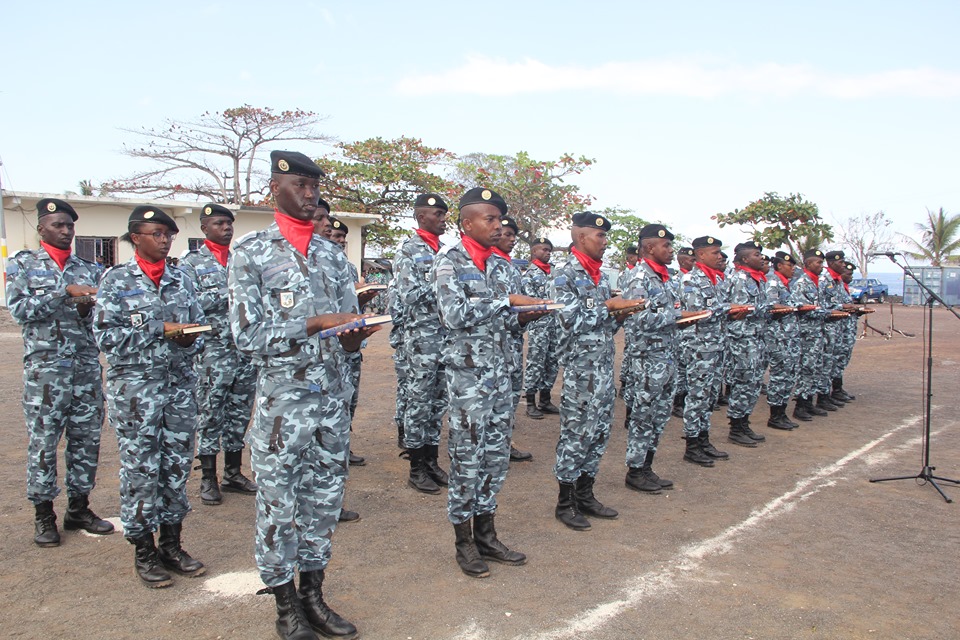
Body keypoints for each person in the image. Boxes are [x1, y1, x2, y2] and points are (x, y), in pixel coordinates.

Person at [229, 151, 376, 639]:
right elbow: (246, 337)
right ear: (275, 186)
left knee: (323, 501)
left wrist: (356, 333)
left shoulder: (333, 255)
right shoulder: (251, 252)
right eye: (300, 184)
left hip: (331, 400)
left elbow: (346, 327)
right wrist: (313, 323)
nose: (310, 193)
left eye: (315, 185)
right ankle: (285, 606)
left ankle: (314, 594)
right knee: (278, 504)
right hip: (283, 407)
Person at [433, 187, 547, 578]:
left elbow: (504, 317)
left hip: (502, 374)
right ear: (467, 223)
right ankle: (463, 542)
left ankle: (487, 534)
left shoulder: (501, 265)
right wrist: (507, 304)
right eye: (490, 219)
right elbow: (453, 315)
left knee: (496, 457)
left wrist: (525, 315)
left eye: (500, 220)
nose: (498, 227)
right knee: (467, 457)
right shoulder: (448, 261)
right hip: (469, 379)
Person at [94, 205, 206, 587]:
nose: (163, 240)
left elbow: (195, 328)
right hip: (135, 393)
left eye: (168, 234)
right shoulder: (115, 280)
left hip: (177, 388)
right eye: (155, 233)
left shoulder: (181, 279)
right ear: (134, 237)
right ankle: (144, 549)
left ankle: (172, 544)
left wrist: (190, 336)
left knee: (175, 467)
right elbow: (105, 337)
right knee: (141, 470)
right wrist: (161, 329)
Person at [6, 198, 113, 547]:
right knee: (44, 443)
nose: (66, 231)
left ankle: (79, 508)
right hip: (46, 374)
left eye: (69, 225)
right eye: (58, 225)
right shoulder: (23, 265)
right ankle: (44, 515)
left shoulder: (89, 268)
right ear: (41, 229)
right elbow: (20, 310)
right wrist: (62, 292)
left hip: (84, 370)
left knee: (86, 441)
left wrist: (85, 308)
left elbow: (100, 318)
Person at [550, 211, 645, 530]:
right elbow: (568, 319)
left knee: (599, 431)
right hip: (580, 369)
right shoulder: (564, 271)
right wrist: (608, 308)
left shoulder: (600, 275)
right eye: (600, 236)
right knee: (577, 433)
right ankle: (565, 502)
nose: (606, 242)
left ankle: (585, 493)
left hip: (603, 365)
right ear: (581, 238)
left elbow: (606, 320)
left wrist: (624, 311)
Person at [179, 203, 257, 507]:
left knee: (239, 413)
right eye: (219, 223)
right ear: (204, 228)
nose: (226, 228)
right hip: (213, 352)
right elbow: (191, 302)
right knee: (211, 414)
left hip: (243, 351)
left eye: (229, 223)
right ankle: (208, 477)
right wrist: (231, 292)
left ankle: (233, 473)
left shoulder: (241, 259)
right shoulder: (191, 263)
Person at [621, 224, 702, 493]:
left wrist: (685, 319)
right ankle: (634, 471)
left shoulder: (664, 277)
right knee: (643, 416)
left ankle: (647, 466)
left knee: (659, 416)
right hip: (647, 359)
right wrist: (678, 318)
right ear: (648, 248)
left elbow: (668, 314)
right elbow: (637, 320)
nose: (670, 250)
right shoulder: (639, 278)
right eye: (665, 246)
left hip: (666, 356)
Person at [391, 194, 451, 493]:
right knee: (418, 402)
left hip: (446, 338)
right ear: (420, 216)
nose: (443, 219)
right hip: (422, 340)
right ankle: (416, 467)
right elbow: (410, 296)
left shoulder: (447, 250)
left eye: (445, 214)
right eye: (438, 213)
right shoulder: (407, 252)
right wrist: (444, 286)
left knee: (439, 402)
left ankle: (431, 460)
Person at [678, 236, 745, 466]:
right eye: (715, 253)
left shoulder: (718, 279)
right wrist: (729, 308)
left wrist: (733, 309)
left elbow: (721, 308)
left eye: (719, 253)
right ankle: (692, 444)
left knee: (709, 396)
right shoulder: (690, 279)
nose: (719, 257)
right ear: (701, 255)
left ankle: (704, 440)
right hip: (699, 347)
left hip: (717, 345)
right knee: (697, 395)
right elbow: (697, 312)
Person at [329, 214, 377, 470]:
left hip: (349, 345)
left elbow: (350, 306)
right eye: (334, 236)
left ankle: (343, 446)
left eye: (342, 239)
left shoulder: (348, 268)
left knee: (350, 398)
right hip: (325, 347)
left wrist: (363, 299)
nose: (338, 241)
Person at [491, 216, 533, 462]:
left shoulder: (513, 268)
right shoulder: (487, 265)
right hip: (493, 344)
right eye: (506, 234)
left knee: (511, 395)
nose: (511, 239)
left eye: (513, 235)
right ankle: (493, 447)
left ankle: (505, 442)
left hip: (513, 342)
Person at [724, 242, 774, 446]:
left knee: (753, 383)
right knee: (743, 382)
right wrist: (768, 308)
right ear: (745, 259)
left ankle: (744, 422)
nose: (761, 257)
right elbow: (741, 309)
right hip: (743, 338)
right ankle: (736, 426)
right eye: (757, 254)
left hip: (756, 336)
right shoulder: (739, 280)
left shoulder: (756, 279)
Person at [521, 236, 561, 419]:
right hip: (539, 324)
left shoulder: (555, 272)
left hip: (556, 324)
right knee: (535, 362)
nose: (546, 253)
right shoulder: (529, 274)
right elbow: (530, 301)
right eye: (543, 249)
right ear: (534, 251)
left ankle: (545, 399)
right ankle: (530, 402)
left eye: (548, 250)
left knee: (552, 362)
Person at [764, 251, 802, 430]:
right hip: (778, 337)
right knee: (779, 376)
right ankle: (775, 415)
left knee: (788, 375)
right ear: (779, 266)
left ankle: (782, 411)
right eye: (790, 265)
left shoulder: (788, 284)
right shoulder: (773, 283)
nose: (793, 269)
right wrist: (793, 308)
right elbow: (771, 306)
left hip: (789, 336)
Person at [791, 249, 831, 421]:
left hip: (818, 332)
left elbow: (821, 305)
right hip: (806, 333)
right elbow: (801, 308)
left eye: (822, 263)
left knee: (815, 367)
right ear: (808, 264)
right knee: (805, 368)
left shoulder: (818, 283)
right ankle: (800, 405)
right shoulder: (802, 283)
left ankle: (809, 402)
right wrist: (827, 312)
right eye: (818, 263)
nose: (821, 266)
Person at [671, 247, 696, 417]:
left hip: (692, 327)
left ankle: (684, 397)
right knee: (680, 367)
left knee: (687, 367)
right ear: (681, 261)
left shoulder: (694, 278)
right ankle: (678, 401)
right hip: (681, 329)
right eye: (690, 259)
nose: (693, 262)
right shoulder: (677, 279)